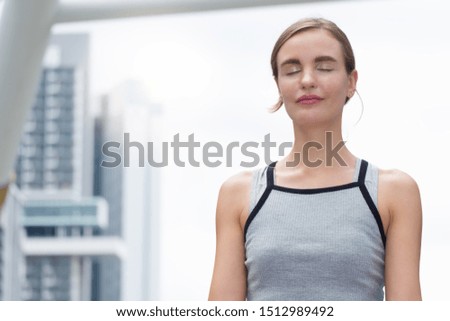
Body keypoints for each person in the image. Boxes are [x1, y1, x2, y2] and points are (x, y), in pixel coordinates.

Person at [208, 17, 422, 301]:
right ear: (279, 86)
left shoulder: (393, 192)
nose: (307, 80)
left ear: (351, 82)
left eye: (324, 67)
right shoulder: (239, 193)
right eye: (292, 70)